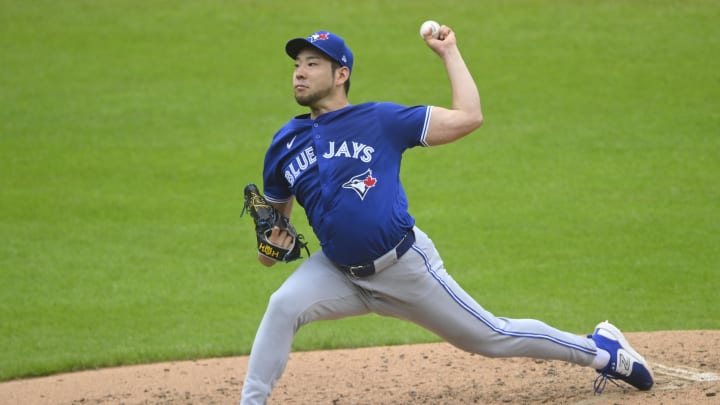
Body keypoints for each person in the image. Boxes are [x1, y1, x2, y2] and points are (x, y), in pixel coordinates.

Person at [240, 25, 653, 404]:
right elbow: (272, 239)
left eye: (313, 64)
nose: (299, 73)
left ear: (341, 74)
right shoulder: (284, 144)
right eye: (297, 65)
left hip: (403, 267)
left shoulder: (379, 120)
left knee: (492, 336)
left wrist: (449, 52)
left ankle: (602, 351)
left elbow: (469, 118)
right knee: (282, 305)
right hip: (337, 272)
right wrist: (272, 247)